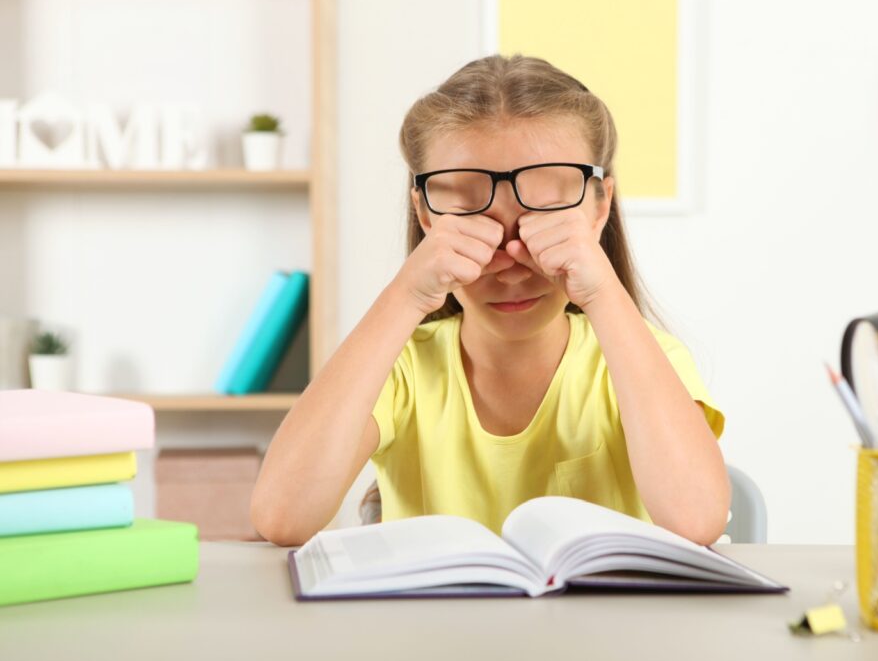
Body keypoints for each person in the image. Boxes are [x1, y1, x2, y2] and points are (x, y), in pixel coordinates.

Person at [251, 54, 729, 547]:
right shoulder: (402, 368)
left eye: (542, 222)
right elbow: (282, 516)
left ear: (599, 206)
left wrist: (603, 291)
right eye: (474, 224)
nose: (510, 262)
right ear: (427, 215)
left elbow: (695, 521)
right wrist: (406, 293)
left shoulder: (646, 359)